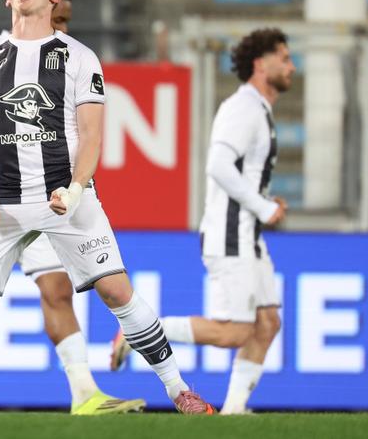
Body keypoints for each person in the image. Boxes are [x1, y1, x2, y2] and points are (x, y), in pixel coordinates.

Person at [0, 0, 214, 415]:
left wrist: (75, 187)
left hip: (65, 198)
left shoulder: (80, 58)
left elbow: (91, 136)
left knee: (116, 291)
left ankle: (179, 390)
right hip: (5, 201)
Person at [0, 0, 144, 416]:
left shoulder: (69, 59)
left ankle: (85, 395)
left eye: (68, 20)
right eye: (61, 18)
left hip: (43, 192)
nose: (64, 28)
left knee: (56, 287)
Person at [110, 28, 294, 415]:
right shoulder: (243, 108)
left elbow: (240, 172)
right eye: (284, 58)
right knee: (236, 331)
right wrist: (261, 207)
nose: (291, 67)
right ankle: (139, 332)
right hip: (231, 233)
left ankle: (234, 410)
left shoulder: (258, 109)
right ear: (261, 65)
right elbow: (219, 166)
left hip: (248, 234)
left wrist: (263, 203)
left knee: (268, 321)